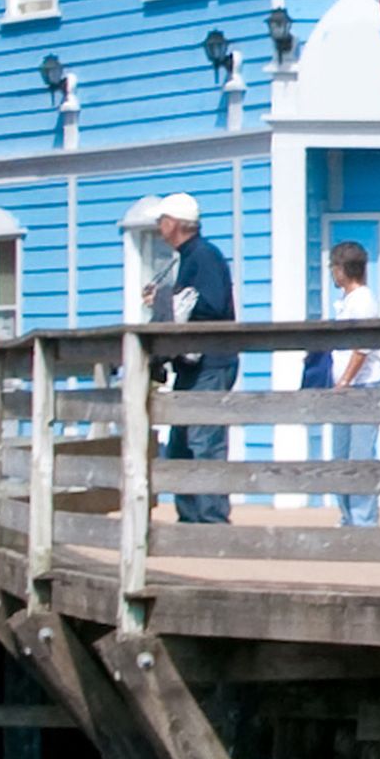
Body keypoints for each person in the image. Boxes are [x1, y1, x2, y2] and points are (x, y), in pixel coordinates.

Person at [142, 195, 236, 525]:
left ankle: (212, 524)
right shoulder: (188, 257)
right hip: (191, 364)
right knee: (180, 445)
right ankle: (190, 521)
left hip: (211, 362)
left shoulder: (204, 256)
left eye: (161, 220)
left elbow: (211, 305)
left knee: (205, 443)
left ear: (176, 223)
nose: (158, 227)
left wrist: (166, 298)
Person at [305, 236, 380, 526]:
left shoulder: (364, 300)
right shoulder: (346, 301)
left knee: (360, 455)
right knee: (341, 455)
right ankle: (347, 517)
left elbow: (362, 348)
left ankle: (364, 521)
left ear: (342, 269)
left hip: (364, 387)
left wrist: (345, 379)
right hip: (346, 387)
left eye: (333, 267)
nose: (332, 272)